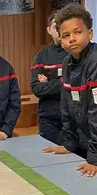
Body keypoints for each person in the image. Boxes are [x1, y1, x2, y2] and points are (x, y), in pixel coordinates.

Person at [42, 3, 97, 177]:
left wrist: (95, 157)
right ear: (61, 41)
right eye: (66, 35)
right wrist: (69, 143)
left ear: (90, 33)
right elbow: (67, 106)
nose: (72, 38)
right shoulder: (67, 63)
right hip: (89, 139)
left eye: (78, 32)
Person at [30, 10, 67, 143]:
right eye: (55, 26)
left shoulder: (73, 54)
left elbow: (76, 84)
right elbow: (36, 88)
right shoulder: (41, 57)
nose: (58, 30)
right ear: (49, 30)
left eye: (61, 26)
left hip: (71, 119)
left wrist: (49, 83)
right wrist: (62, 83)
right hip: (48, 119)